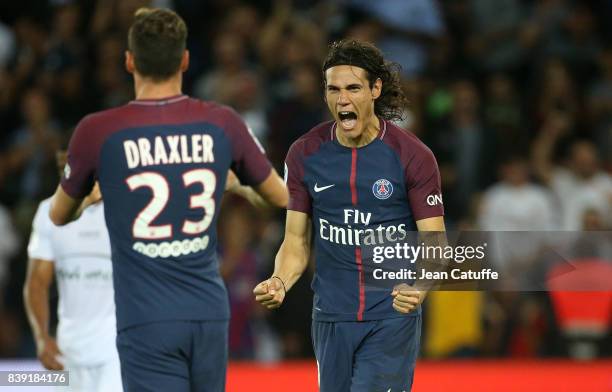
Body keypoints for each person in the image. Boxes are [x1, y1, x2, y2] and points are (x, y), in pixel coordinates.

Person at [49, 8, 287, 392]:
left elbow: (59, 214)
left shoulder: (97, 130)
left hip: (147, 319)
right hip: (209, 313)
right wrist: (235, 184)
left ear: (128, 61)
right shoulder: (222, 121)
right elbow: (279, 195)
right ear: (185, 60)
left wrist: (93, 193)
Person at [254, 39, 445, 391]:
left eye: (353, 88)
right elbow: (296, 241)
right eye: (333, 89)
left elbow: (435, 243)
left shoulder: (413, 156)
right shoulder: (304, 155)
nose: (342, 99)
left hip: (391, 314)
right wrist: (279, 280)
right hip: (330, 316)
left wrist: (419, 288)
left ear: (375, 89)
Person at [24, 151, 121, 391]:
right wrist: (40, 337)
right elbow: (36, 281)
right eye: (61, 162)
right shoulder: (48, 213)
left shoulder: (122, 213)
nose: (67, 169)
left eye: (72, 160)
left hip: (116, 350)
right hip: (67, 352)